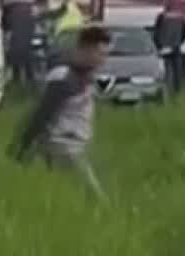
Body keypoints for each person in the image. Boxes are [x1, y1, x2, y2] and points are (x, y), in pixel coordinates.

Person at [10, 24, 111, 200]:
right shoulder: (64, 77)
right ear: (85, 50)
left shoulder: (84, 76)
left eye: (105, 55)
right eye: (100, 54)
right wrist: (23, 147)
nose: (103, 60)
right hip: (62, 146)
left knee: (67, 197)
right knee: (95, 199)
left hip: (73, 147)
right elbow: (41, 114)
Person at [152, 0, 185, 97]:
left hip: (165, 47)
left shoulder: (162, 17)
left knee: (167, 70)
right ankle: (177, 92)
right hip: (176, 46)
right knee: (177, 71)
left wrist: (159, 45)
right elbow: (184, 32)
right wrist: (178, 42)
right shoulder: (181, 16)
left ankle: (167, 92)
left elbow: (156, 32)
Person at [1, 0, 39, 92]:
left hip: (16, 46)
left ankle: (16, 87)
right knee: (28, 69)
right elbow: (33, 29)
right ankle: (30, 89)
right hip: (27, 46)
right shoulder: (28, 13)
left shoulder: (10, 14)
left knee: (16, 69)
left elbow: (6, 28)